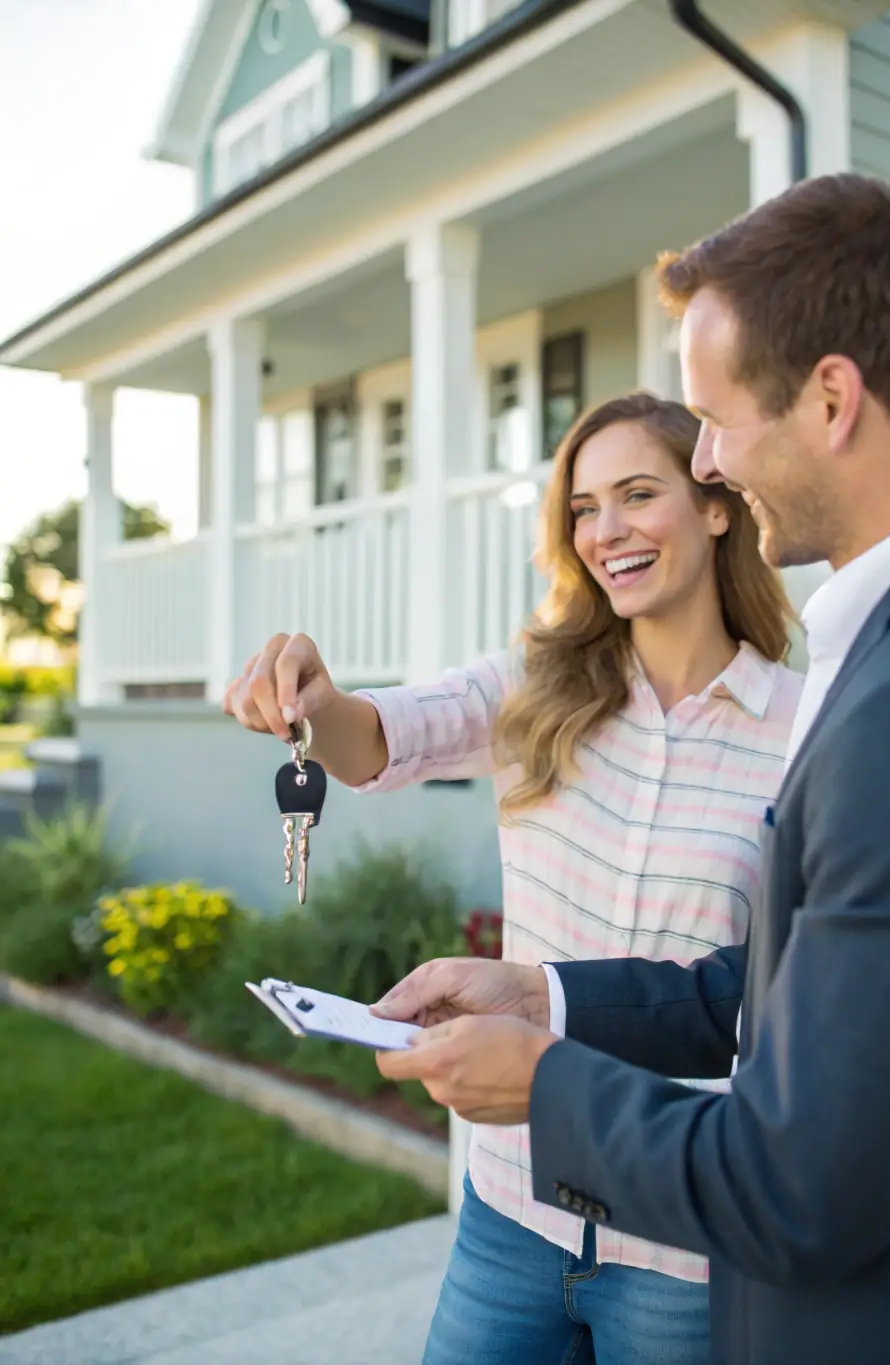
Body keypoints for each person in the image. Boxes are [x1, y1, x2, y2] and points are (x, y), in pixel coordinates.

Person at [374, 172, 890, 1365]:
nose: (714, 459)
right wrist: (546, 997)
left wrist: (548, 1080)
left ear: (830, 398)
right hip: (520, 1221)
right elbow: (790, 992)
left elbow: (802, 1176)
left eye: (715, 422)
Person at [224, 391, 803, 1365]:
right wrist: (311, 704)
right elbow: (376, 741)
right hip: (508, 1206)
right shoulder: (535, 683)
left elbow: (771, 990)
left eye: (634, 495)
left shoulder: (801, 727)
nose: (605, 530)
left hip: (679, 1240)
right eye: (582, 508)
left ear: (716, 505)